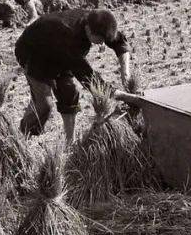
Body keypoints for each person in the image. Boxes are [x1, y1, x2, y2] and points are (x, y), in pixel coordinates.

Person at [14, 8, 132, 144]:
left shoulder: (97, 20)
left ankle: (69, 142)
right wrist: (128, 97)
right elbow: (90, 79)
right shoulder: (69, 36)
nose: (101, 43)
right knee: (44, 106)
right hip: (33, 53)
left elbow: (119, 41)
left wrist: (126, 73)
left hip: (60, 52)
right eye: (99, 40)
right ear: (88, 29)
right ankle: (20, 140)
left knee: (69, 93)